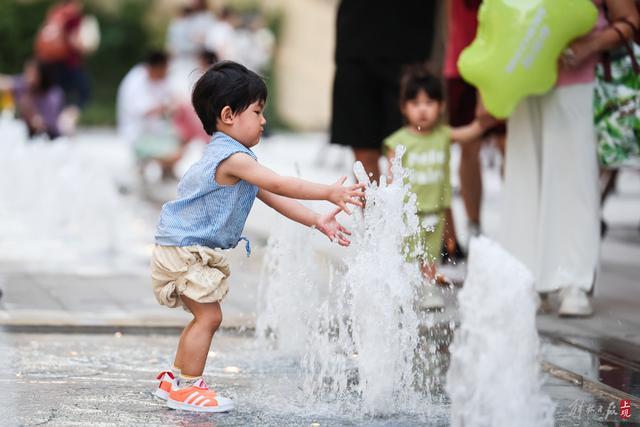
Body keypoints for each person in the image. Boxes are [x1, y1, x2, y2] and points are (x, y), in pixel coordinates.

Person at [150, 61, 365, 412]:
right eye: (257, 111)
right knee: (210, 318)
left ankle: (175, 380)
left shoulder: (233, 158)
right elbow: (280, 182)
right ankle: (188, 385)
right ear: (228, 115)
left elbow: (275, 197)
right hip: (184, 252)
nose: (263, 120)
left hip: (180, 249)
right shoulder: (233, 159)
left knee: (203, 316)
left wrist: (316, 220)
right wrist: (328, 191)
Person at [501, 0, 639, 317]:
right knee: (523, 177)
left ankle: (573, 280)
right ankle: (523, 278)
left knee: (574, 178)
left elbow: (629, 20)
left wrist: (591, 44)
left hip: (576, 77)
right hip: (521, 78)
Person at [384, 66, 488, 308]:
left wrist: (485, 119)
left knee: (430, 253)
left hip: (436, 209)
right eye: (415, 103)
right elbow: (391, 176)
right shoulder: (399, 140)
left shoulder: (443, 134)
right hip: (408, 211)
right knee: (406, 251)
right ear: (404, 107)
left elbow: (470, 133)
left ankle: (428, 288)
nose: (422, 109)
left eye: (429, 102)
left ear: (441, 106)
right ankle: (402, 288)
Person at [330, 0, 437, 183]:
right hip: (355, 44)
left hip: (409, 48)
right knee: (363, 153)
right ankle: (374, 212)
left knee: (405, 152)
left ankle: (400, 211)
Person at [116, 51, 179, 174]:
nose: (166, 72)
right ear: (157, 67)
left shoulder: (158, 78)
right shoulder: (135, 81)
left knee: (180, 136)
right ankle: (147, 164)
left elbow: (173, 97)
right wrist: (167, 107)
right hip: (138, 133)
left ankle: (164, 170)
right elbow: (144, 110)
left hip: (153, 130)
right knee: (174, 152)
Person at [0, 60, 65, 139]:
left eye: (33, 74)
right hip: (25, 131)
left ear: (42, 75)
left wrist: (31, 112)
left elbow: (50, 121)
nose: (29, 77)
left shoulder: (53, 94)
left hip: (49, 135)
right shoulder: (23, 84)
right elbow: (5, 83)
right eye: (27, 73)